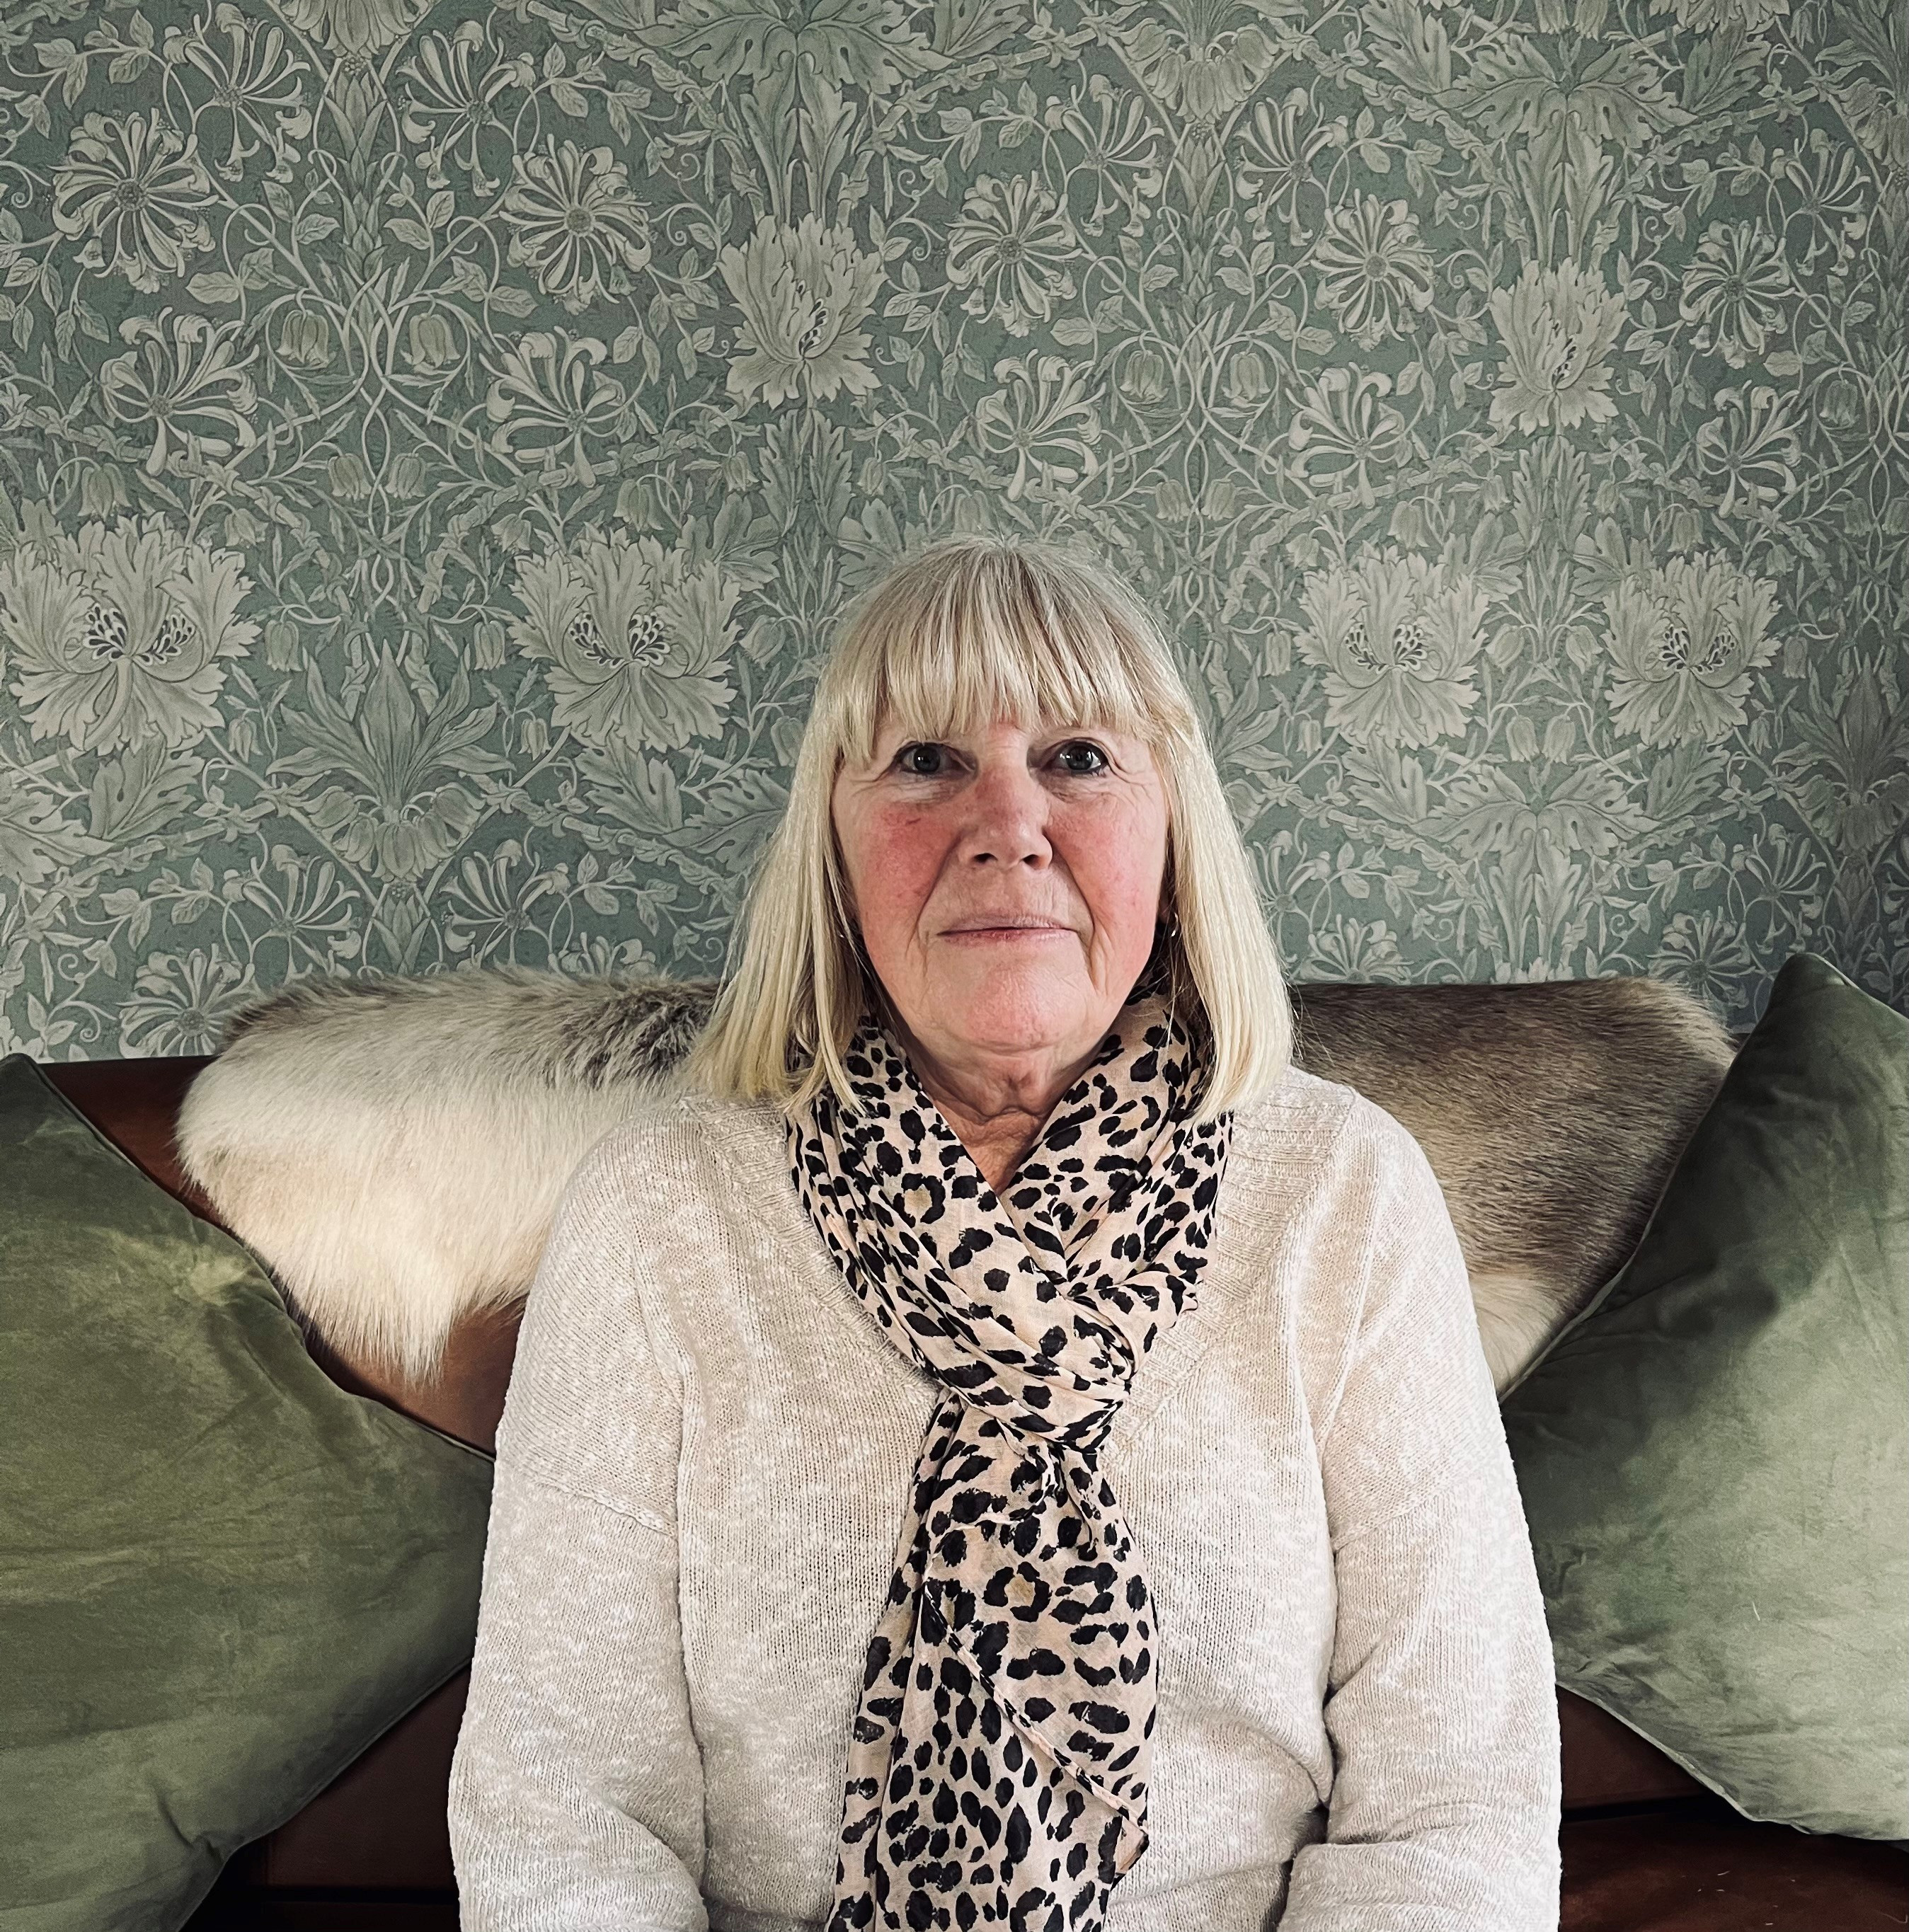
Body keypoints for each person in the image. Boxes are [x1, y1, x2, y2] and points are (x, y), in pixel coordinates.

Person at [447, 535, 1562, 1931]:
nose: (1005, 822)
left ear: (1170, 835)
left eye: (1080, 757)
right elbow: (563, 1812)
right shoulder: (660, 1207)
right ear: (836, 853)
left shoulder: (1340, 1191)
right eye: (923, 759)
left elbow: (1455, 1806)